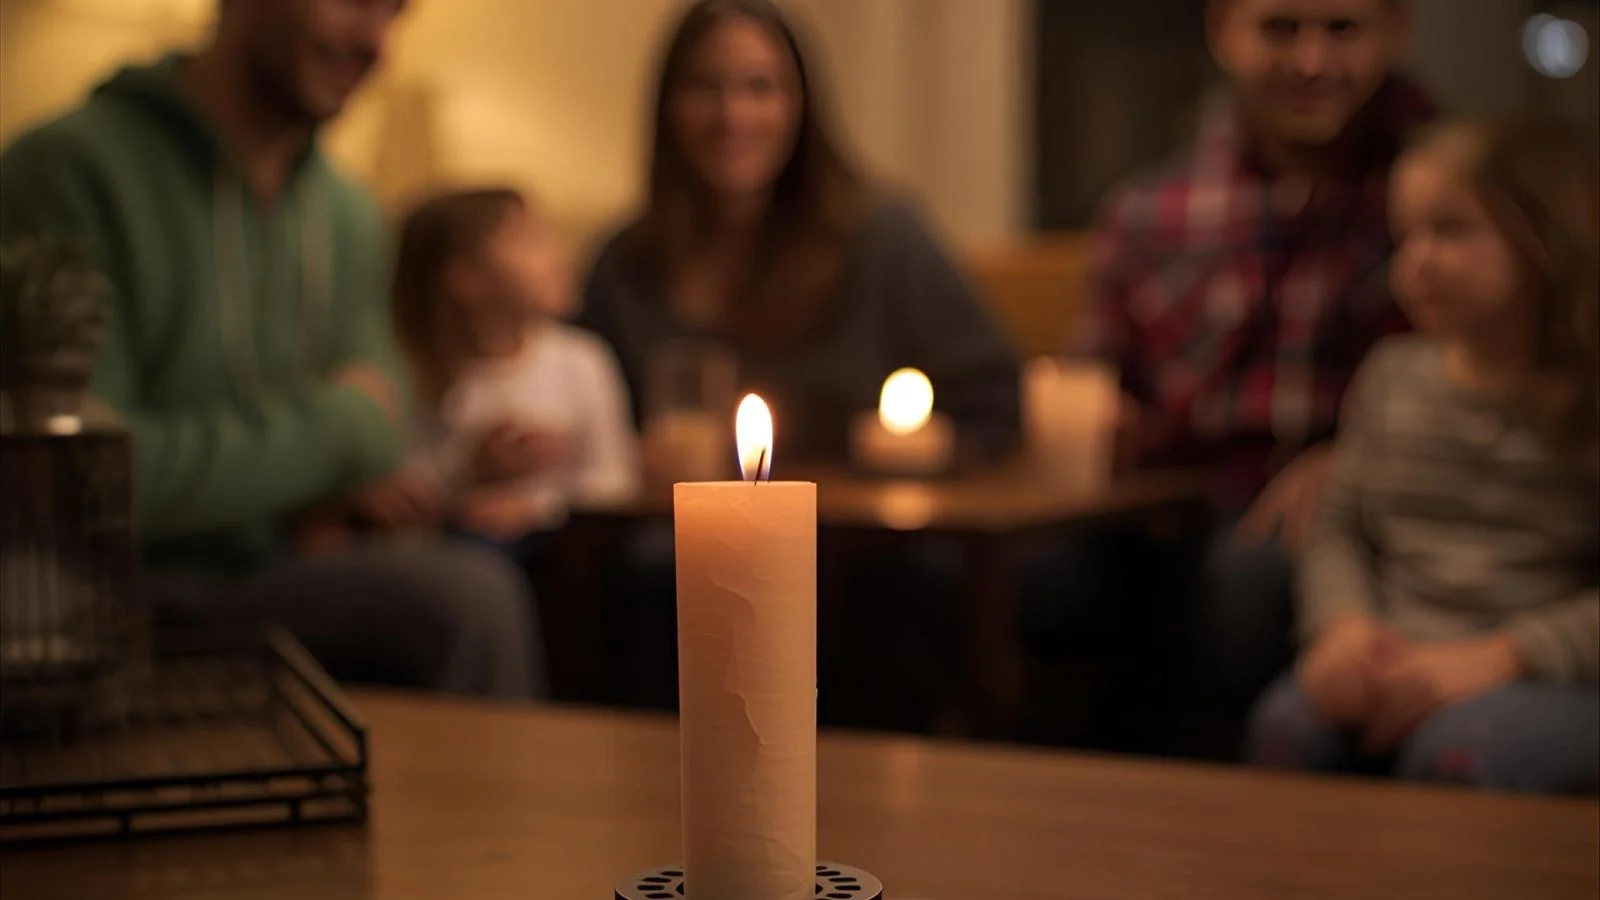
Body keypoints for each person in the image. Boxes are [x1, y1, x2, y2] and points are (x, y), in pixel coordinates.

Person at [0, 0, 539, 699]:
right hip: (108, 596)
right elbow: (85, 483)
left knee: (484, 573)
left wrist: (334, 454)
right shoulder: (66, 171)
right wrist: (335, 427)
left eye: (395, 12)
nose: (377, 41)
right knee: (469, 598)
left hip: (283, 571)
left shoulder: (347, 213)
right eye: (354, 1)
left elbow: (384, 434)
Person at [580, 0, 1020, 728]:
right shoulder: (625, 263)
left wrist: (903, 447)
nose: (733, 115)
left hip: (858, 560)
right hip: (675, 564)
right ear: (668, 108)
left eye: (760, 87)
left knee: (894, 595)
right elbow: (585, 412)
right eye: (705, 88)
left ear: (801, 104)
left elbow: (994, 401)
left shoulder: (880, 236)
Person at [1019, 0, 1432, 754]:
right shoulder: (1147, 210)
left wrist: (1358, 462)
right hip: (1168, 502)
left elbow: (1484, 385)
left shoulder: (1431, 206)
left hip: (1336, 509)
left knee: (1243, 586)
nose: (1311, 61)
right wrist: (1100, 420)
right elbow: (1091, 376)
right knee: (1039, 580)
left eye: (1341, 30)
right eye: (1280, 29)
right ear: (1223, 32)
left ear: (1395, 33)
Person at [1246, 116, 1599, 795]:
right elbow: (1339, 526)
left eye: (1451, 230)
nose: (1416, 263)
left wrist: (1506, 656)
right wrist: (1342, 626)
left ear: (1543, 239)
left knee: (1457, 757)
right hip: (1394, 652)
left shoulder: (1584, 396)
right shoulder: (1392, 376)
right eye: (1404, 237)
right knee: (1286, 728)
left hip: (1552, 675)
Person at [384, 186, 639, 561]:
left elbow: (613, 482)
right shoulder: (414, 375)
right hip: (459, 548)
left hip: (563, 552)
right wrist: (470, 473)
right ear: (465, 277)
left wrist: (539, 510)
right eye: (529, 240)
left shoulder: (581, 360)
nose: (556, 255)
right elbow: (404, 494)